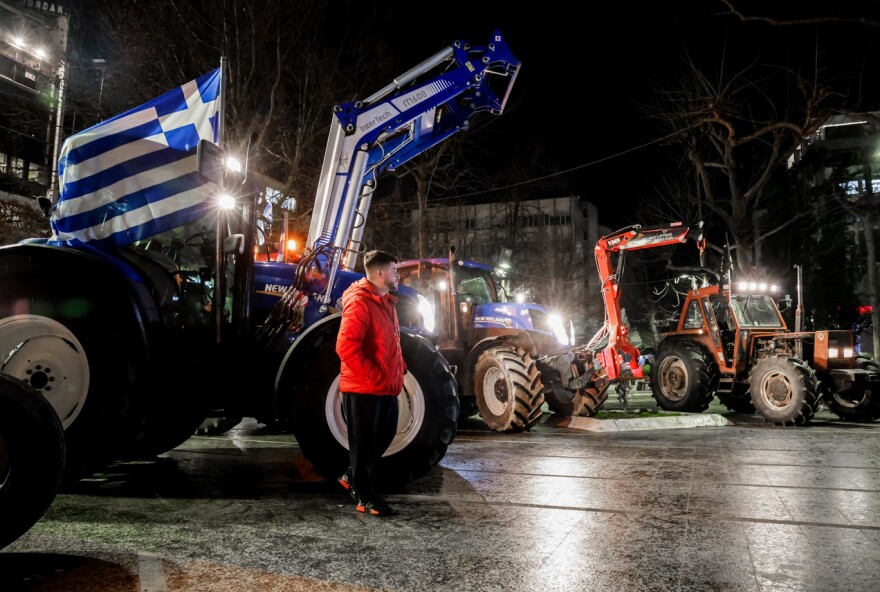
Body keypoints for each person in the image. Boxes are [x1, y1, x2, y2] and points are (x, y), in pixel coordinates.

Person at [335, 249, 406, 517]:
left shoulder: (385, 302)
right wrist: (374, 376)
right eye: (394, 270)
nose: (397, 275)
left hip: (383, 385)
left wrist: (399, 369)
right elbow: (346, 348)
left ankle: (352, 476)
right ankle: (365, 496)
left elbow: (390, 343)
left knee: (385, 434)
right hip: (364, 388)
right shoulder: (360, 302)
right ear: (379, 272)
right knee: (364, 446)